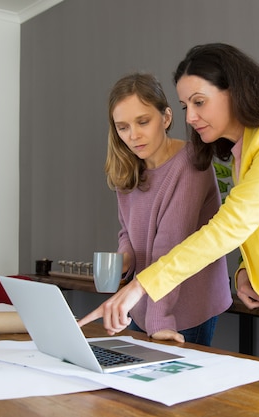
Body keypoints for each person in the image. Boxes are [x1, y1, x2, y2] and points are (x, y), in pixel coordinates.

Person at [80, 45, 259, 379]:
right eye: (185, 106)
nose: (189, 117)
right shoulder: (243, 151)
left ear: (234, 91)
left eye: (199, 102)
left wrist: (138, 287)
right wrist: (245, 271)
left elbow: (231, 226)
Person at [100, 72, 231, 346]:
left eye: (143, 122)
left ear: (167, 118)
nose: (133, 135)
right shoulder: (129, 168)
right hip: (144, 300)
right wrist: (125, 259)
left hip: (185, 306)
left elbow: (172, 245)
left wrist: (160, 322)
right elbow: (127, 230)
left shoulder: (191, 164)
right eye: (122, 127)